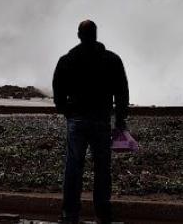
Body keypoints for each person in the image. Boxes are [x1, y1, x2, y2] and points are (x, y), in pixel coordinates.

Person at [53, 20, 129, 224]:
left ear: (79, 35)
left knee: (73, 167)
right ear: (96, 34)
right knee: (102, 168)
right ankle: (103, 213)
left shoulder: (67, 60)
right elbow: (122, 92)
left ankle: (70, 213)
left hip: (77, 120)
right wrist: (120, 121)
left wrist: (67, 112)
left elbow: (58, 94)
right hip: (101, 120)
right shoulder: (111, 60)